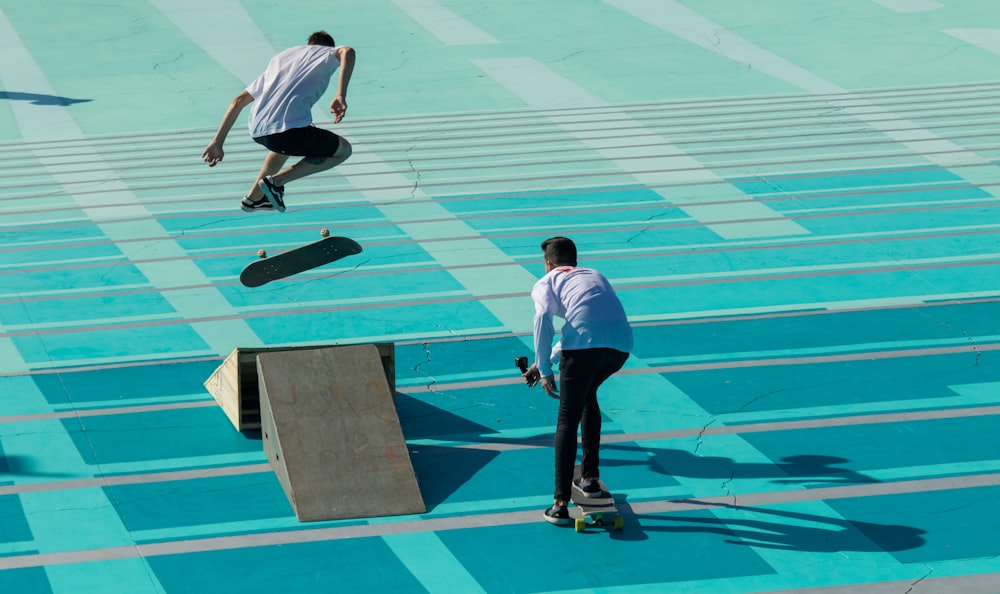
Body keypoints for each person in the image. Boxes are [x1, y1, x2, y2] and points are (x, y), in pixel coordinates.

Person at [522, 236, 633, 525]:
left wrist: (545, 370)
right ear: (574, 259)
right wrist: (543, 361)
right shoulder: (594, 276)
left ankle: (559, 504)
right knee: (588, 396)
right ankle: (590, 480)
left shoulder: (547, 281)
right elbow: (586, 325)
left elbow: (543, 317)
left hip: (587, 348)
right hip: (620, 348)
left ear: (548, 263)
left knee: (567, 417)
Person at [201, 31, 356, 212]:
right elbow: (348, 52)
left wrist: (218, 142)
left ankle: (253, 199)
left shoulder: (280, 60)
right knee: (343, 150)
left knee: (284, 145)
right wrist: (340, 95)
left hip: (260, 132)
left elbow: (238, 101)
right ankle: (276, 182)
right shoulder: (326, 53)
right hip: (289, 133)